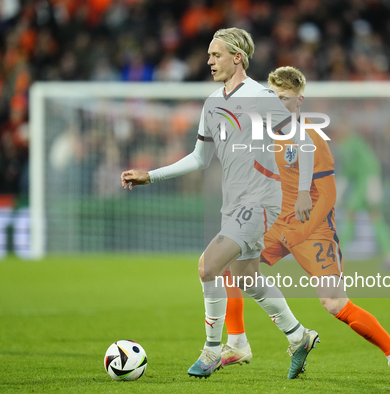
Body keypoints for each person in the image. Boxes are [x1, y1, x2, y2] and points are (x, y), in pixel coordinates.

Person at [121, 28, 320, 379]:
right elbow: (200, 158)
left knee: (207, 267)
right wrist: (150, 175)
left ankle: (213, 350)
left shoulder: (260, 96)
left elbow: (304, 141)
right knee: (247, 277)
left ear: (237, 57)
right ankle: (298, 335)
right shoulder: (213, 103)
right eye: (209, 55)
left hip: (260, 200)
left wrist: (303, 191)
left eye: (216, 55)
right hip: (235, 201)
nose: (209, 61)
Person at [221, 66, 390, 377]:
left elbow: (327, 196)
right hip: (277, 223)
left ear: (299, 100)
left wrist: (299, 233)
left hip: (314, 229)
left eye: (284, 98)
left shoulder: (311, 137)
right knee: (229, 266)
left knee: (334, 303)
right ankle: (239, 343)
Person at [334, 128, 390, 271]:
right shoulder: (357, 143)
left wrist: (338, 192)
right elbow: (371, 164)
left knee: (348, 217)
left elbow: (348, 172)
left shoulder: (348, 145)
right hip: (368, 184)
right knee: (376, 219)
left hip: (362, 187)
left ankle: (339, 257)